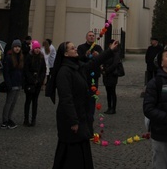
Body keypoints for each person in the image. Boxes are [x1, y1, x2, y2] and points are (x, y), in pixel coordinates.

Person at [49, 39, 118, 169]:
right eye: (72, 48)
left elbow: (93, 63)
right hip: (70, 120)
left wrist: (110, 51)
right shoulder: (64, 72)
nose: (75, 49)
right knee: (70, 156)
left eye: (75, 47)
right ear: (65, 54)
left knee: (80, 151)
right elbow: (66, 99)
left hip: (80, 115)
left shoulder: (76, 66)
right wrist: (74, 121)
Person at [77, 31, 103, 137]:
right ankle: (83, 125)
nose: (92, 37)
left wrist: (98, 56)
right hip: (84, 77)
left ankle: (90, 127)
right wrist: (85, 55)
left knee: (92, 102)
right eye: (90, 36)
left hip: (94, 78)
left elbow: (102, 59)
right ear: (86, 37)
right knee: (83, 102)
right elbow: (78, 60)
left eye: (93, 36)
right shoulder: (81, 47)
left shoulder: (98, 47)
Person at [0, 39, 24, 129]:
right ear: (12, 47)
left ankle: (9, 118)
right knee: (8, 102)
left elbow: (21, 71)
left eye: (18, 47)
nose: (17, 48)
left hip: (18, 83)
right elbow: (6, 73)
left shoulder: (21, 57)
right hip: (12, 84)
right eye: (15, 47)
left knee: (13, 103)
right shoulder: (8, 57)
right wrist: (8, 84)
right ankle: (5, 120)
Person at [23, 40, 46, 126]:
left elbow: (43, 70)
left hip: (38, 83)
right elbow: (26, 70)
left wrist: (40, 79)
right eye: (36, 48)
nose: (37, 50)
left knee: (35, 101)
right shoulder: (29, 57)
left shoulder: (41, 57)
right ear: (33, 49)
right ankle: (26, 119)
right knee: (28, 101)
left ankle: (33, 119)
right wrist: (32, 79)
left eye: (38, 48)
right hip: (30, 82)